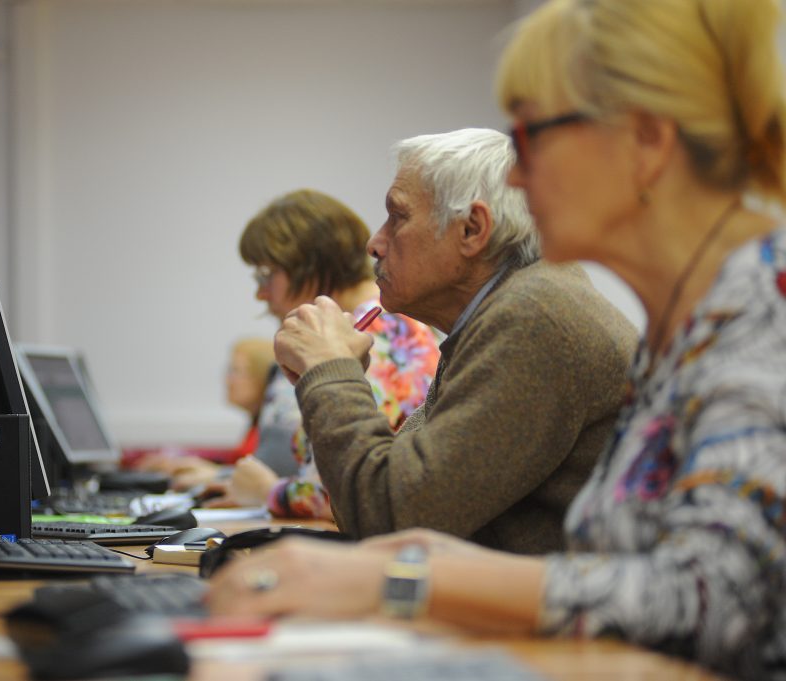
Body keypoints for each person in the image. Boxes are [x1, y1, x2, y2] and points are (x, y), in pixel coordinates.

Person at [208, 1, 786, 678]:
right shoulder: (685, 327)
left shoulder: (759, 315)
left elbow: (709, 600)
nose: (515, 173)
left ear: (648, 141)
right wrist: (420, 558)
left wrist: (407, 576)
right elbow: (620, 569)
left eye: (533, 133)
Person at [266, 129, 637, 551]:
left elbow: (388, 518)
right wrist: (332, 374)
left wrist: (331, 372)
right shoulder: (503, 311)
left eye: (398, 217)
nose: (375, 243)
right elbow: (380, 496)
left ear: (472, 229)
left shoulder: (534, 316)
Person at [204, 188, 441, 515]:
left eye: (266, 275)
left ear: (307, 264)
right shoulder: (360, 325)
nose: (260, 293)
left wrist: (267, 492)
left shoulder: (385, 333)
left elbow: (352, 491)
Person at [130, 337, 276, 481]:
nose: (227, 380)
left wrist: (210, 472)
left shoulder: (269, 433)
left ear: (263, 377)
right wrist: (183, 461)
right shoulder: (257, 426)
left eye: (235, 371)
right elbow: (232, 463)